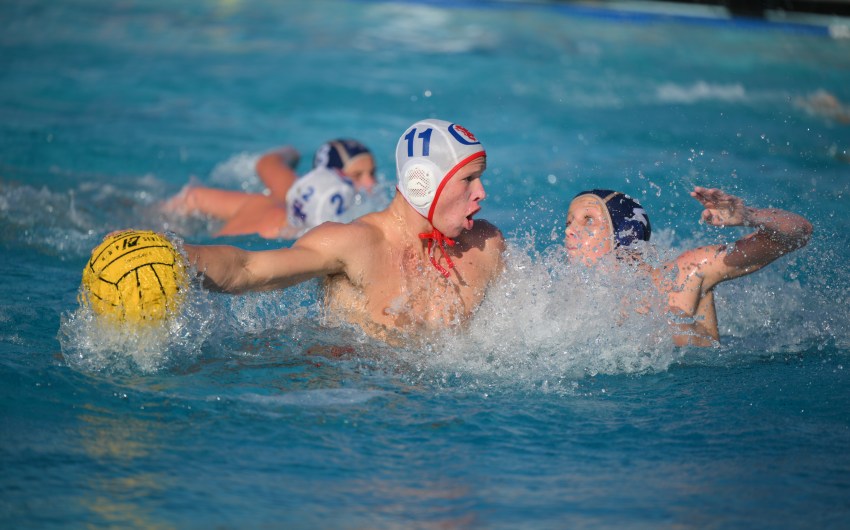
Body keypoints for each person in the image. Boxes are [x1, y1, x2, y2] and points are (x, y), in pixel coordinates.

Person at [182, 119, 505, 342]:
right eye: (468, 179)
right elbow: (248, 269)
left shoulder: (486, 246)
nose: (481, 192)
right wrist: (175, 256)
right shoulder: (354, 243)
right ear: (423, 182)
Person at [564, 187, 812, 346]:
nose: (569, 230)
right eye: (569, 220)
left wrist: (749, 217)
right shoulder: (571, 296)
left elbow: (800, 233)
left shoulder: (683, 274)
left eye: (588, 220)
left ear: (624, 234)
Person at [163, 139, 378, 239]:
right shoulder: (282, 233)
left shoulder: (285, 192)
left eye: (372, 173)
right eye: (357, 176)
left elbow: (193, 197)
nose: (371, 184)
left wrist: (293, 152)